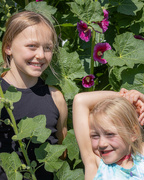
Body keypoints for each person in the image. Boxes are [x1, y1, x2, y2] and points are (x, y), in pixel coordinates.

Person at [0, 11, 68, 180]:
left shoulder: (56, 98)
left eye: (48, 48)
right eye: (32, 46)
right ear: (8, 47)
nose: (41, 55)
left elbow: (60, 153)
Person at [73, 91, 144, 180]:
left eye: (110, 134)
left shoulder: (141, 157)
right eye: (95, 136)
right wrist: (124, 97)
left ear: (133, 133)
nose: (101, 144)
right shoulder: (96, 165)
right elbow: (80, 100)